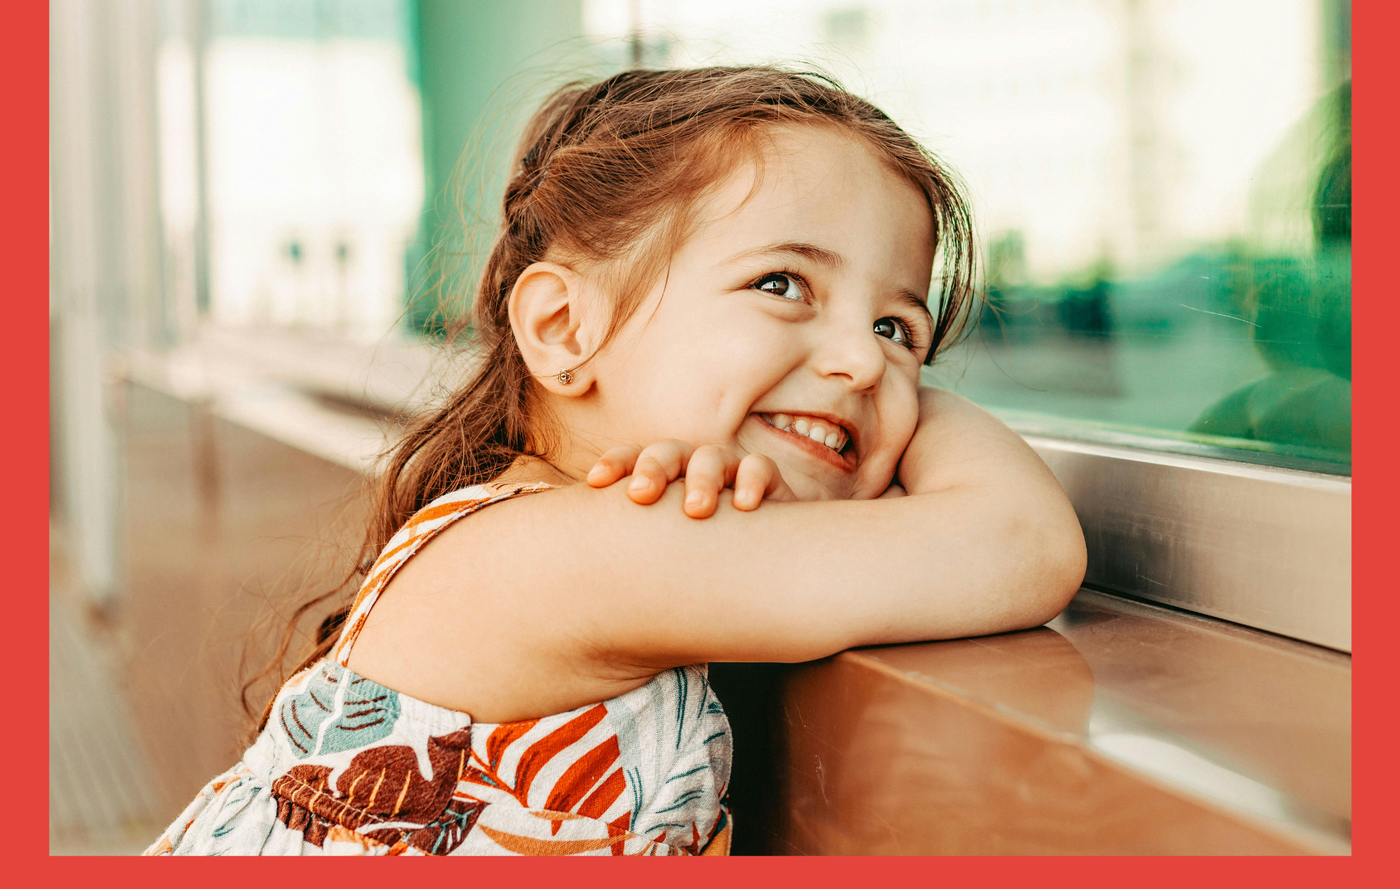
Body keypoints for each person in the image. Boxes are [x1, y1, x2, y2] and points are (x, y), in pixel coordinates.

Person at [146, 67, 1085, 857]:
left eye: (898, 327)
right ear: (562, 327)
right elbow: (1020, 542)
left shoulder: (578, 532)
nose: (862, 359)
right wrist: (923, 406)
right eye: (782, 284)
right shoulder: (571, 552)